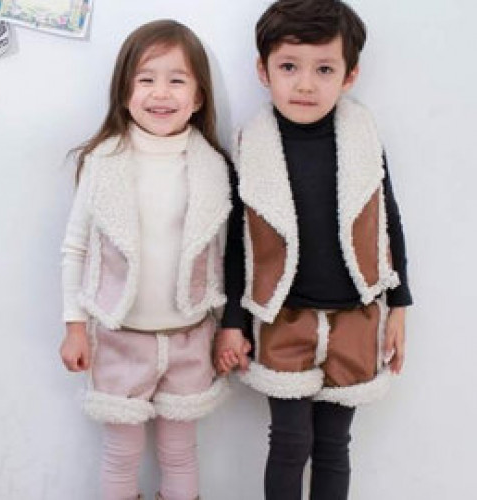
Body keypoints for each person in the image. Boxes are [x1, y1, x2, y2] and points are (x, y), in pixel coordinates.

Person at [214, 0, 413, 498]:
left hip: (357, 316)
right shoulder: (251, 144)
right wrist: (233, 321)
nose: (305, 85)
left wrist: (399, 304)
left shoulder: (364, 137)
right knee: (289, 442)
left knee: (333, 445)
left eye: (324, 69)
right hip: (283, 318)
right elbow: (237, 240)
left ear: (349, 76)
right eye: (289, 67)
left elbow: (387, 220)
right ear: (263, 71)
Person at [59, 19, 231, 500]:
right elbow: (75, 247)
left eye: (176, 80)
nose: (160, 93)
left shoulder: (212, 167)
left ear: (198, 97)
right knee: (122, 452)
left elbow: (223, 257)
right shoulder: (104, 162)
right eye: (146, 78)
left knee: (180, 451)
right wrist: (74, 326)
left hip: (190, 335)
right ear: (125, 90)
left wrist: (227, 328)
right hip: (118, 336)